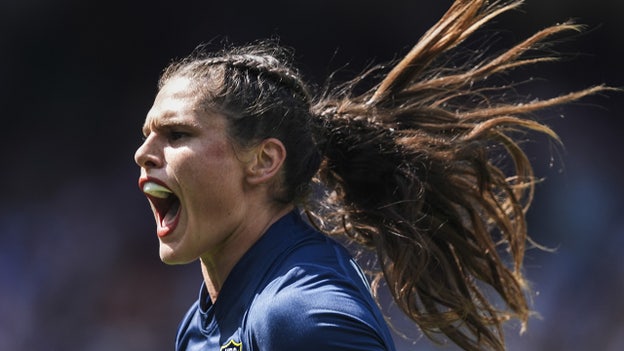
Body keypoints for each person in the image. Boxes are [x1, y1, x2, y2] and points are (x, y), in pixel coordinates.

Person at [134, 1, 609, 350]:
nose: (143, 153)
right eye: (147, 134)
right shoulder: (205, 321)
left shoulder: (301, 318)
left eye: (176, 134)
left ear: (263, 161)